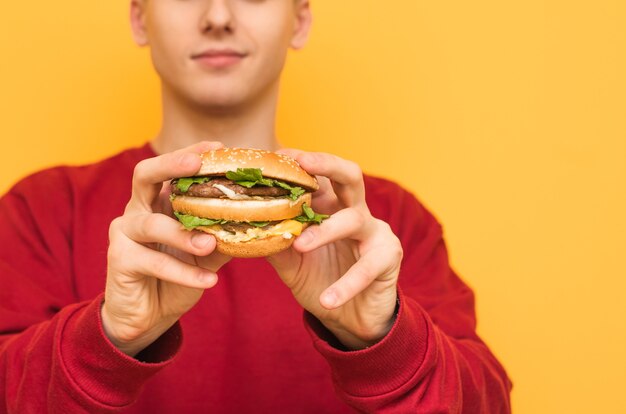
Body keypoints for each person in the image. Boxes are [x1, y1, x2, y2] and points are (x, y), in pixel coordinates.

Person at [0, 0, 512, 412]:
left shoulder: (385, 225)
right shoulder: (40, 211)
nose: (218, 16)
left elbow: (489, 402)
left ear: (301, 18)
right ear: (139, 17)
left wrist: (382, 341)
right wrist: (108, 337)